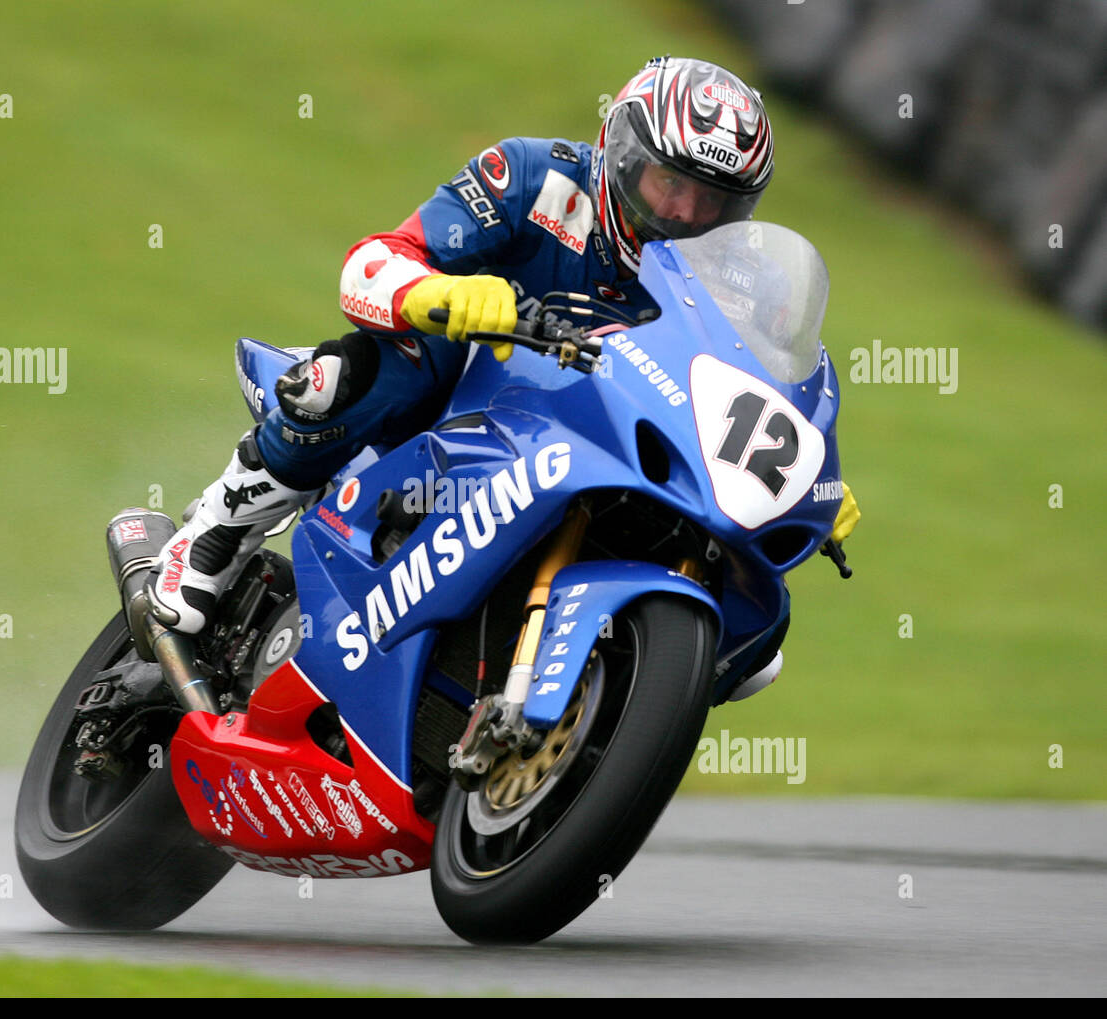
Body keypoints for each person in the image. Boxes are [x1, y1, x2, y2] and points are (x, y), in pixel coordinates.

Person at [142, 55, 860, 697]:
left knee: (755, 656)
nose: (683, 213)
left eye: (713, 202)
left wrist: (801, 472)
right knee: (343, 379)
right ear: (622, 151)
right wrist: (443, 295)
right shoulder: (535, 177)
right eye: (669, 181)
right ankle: (213, 533)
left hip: (614, 446)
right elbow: (371, 263)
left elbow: (763, 387)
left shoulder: (747, 281)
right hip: (467, 408)